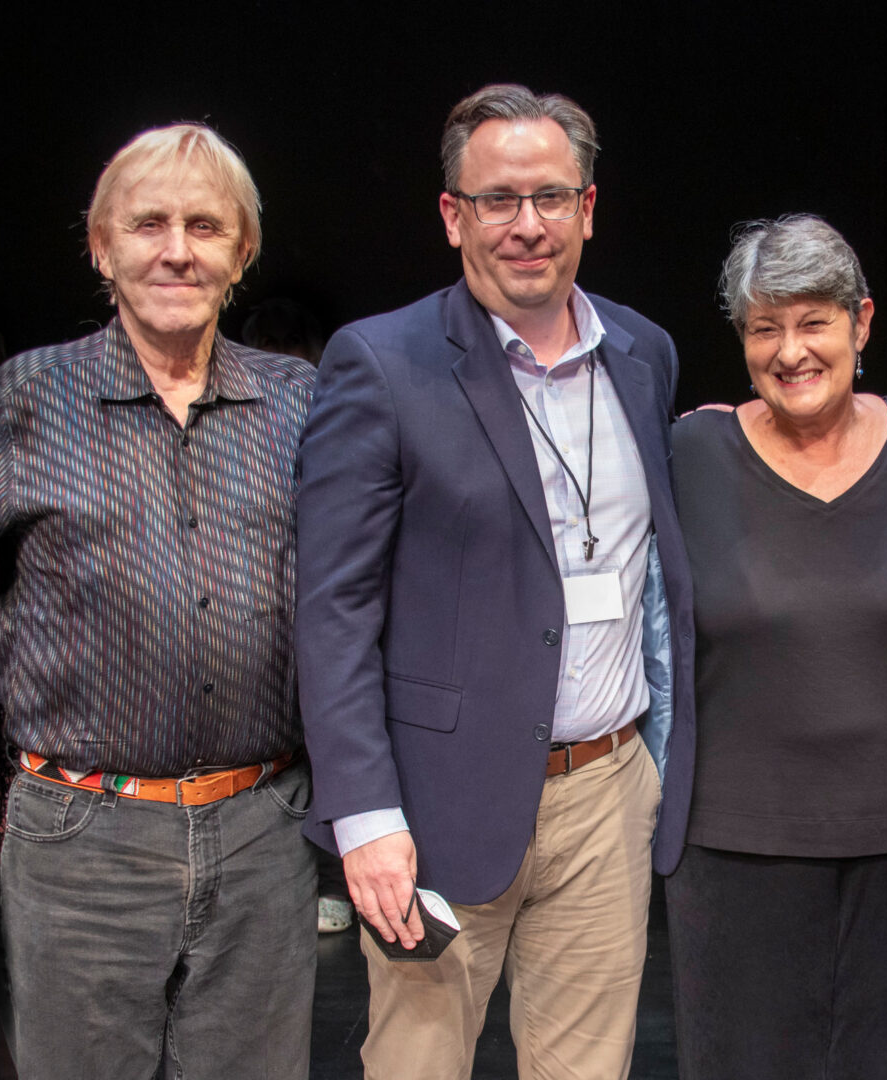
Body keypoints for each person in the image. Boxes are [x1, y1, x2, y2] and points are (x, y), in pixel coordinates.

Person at [0, 124, 318, 1078]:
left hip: (261, 830)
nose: (176, 249)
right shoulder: (28, 399)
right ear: (100, 247)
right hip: (83, 843)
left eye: (205, 225)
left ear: (242, 252)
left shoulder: (300, 404)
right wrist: (27, 669)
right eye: (147, 223)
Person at [295, 84, 694, 1080]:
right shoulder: (381, 364)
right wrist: (366, 816)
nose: (528, 226)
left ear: (589, 209)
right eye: (499, 199)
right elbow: (333, 611)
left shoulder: (645, 355)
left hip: (605, 793)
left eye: (552, 197)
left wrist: (649, 768)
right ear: (452, 216)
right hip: (438, 807)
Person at [665, 215, 887, 1079]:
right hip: (735, 850)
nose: (789, 350)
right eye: (764, 327)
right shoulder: (691, 451)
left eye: (813, 322)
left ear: (861, 323)